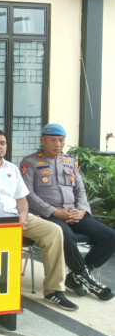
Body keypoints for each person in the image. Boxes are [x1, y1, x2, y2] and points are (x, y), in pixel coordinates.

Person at [0, 129, 77, 311]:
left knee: (54, 230)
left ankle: (53, 290)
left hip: (17, 217)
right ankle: (5, 295)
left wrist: (23, 216)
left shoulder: (12, 169)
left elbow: (22, 200)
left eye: (2, 143)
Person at [20, 123, 115, 301]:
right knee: (65, 235)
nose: (58, 144)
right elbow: (28, 194)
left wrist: (82, 210)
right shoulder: (29, 162)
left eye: (61, 140)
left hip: (74, 212)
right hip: (47, 215)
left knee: (110, 236)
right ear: (42, 140)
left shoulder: (69, 161)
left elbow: (80, 190)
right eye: (53, 140)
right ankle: (86, 278)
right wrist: (55, 212)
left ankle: (77, 276)